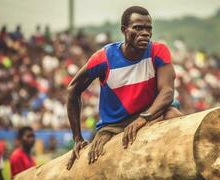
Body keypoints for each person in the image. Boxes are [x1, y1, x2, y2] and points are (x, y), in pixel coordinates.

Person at [66, 6, 183, 170]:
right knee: (99, 161)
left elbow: (167, 92)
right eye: (138, 28)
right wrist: (77, 138)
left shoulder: (158, 50)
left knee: (174, 115)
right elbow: (73, 90)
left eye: (148, 29)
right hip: (115, 125)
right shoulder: (104, 57)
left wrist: (143, 119)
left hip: (151, 113)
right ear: (124, 30)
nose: (145, 33)